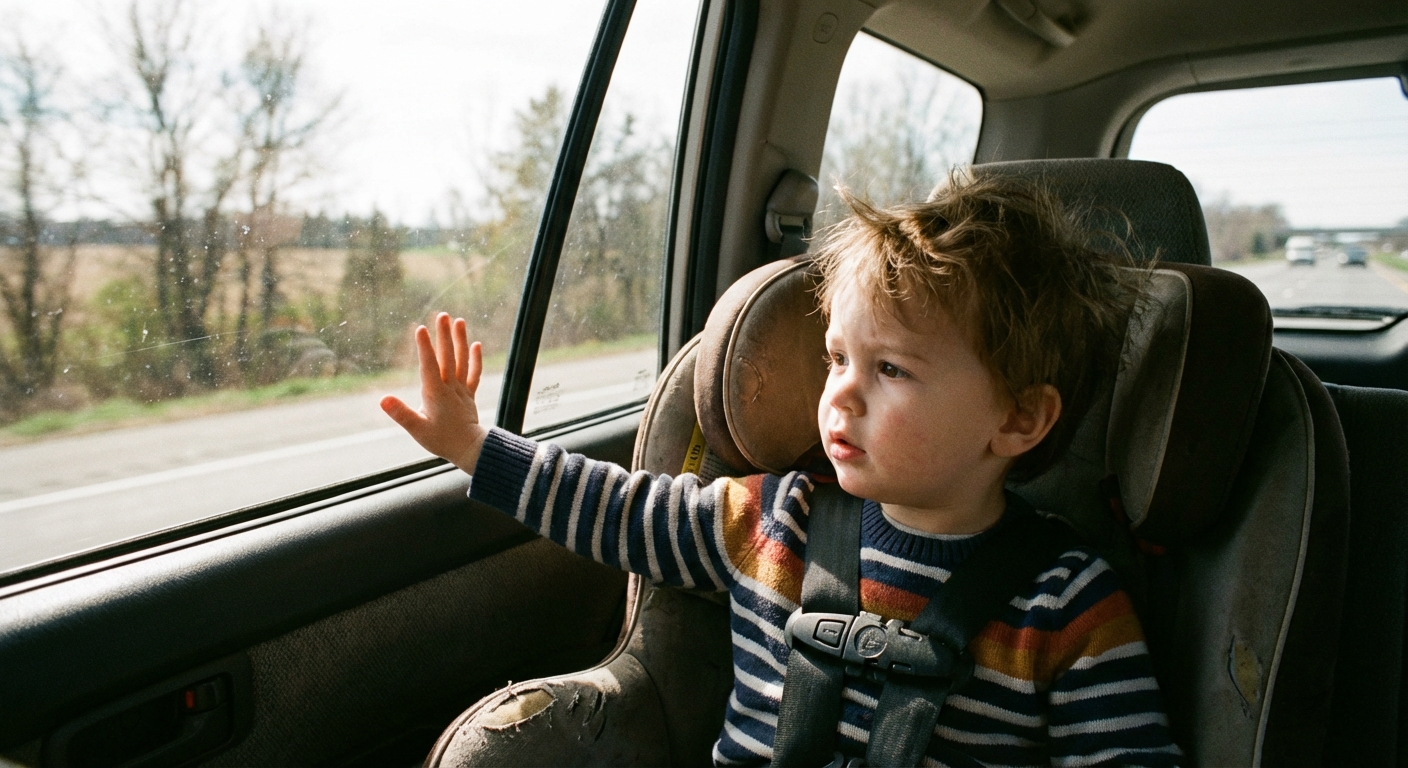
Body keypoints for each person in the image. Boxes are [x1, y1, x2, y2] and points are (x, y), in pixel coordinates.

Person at [380, 171, 1182, 766]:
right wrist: (478, 448)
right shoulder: (772, 521)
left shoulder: (1069, 606)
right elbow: (621, 511)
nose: (841, 396)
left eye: (892, 371)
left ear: (1017, 418)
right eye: (838, 358)